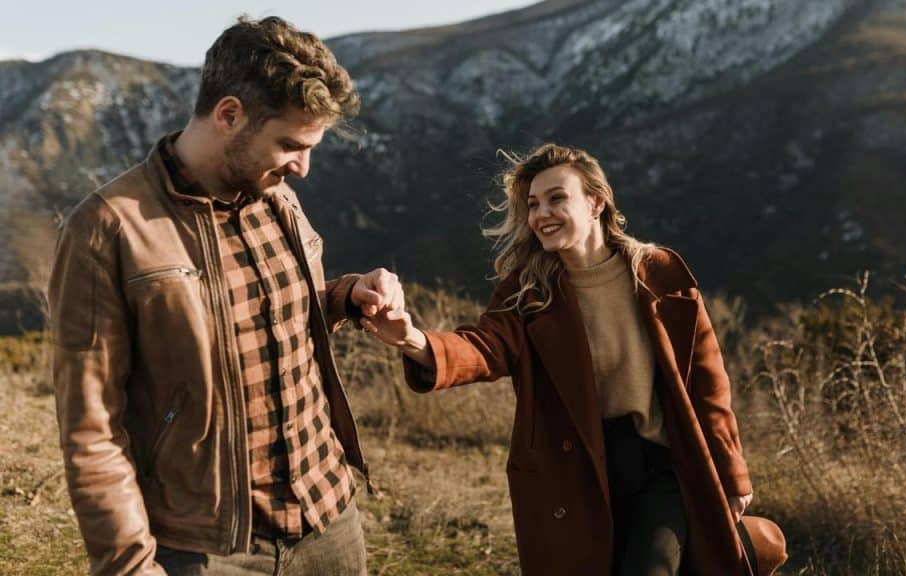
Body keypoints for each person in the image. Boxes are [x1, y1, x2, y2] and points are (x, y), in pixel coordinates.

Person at [49, 16, 401, 575]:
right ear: (229, 114)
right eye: (290, 145)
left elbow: (264, 313)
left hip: (331, 524)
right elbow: (91, 429)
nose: (303, 168)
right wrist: (129, 565)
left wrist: (343, 297)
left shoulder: (276, 197)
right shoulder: (106, 229)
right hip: (208, 550)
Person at [363, 143, 787, 575]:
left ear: (596, 202)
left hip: (664, 464)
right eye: (533, 204)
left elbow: (708, 383)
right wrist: (413, 340)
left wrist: (733, 474)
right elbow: (485, 347)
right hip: (577, 470)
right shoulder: (528, 291)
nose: (541, 214)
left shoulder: (658, 274)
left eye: (556, 198)